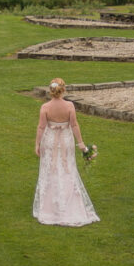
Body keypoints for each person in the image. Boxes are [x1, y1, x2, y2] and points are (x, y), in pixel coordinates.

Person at [33, 77, 100, 227]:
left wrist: (37, 144)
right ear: (63, 90)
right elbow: (74, 125)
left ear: (50, 91)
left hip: (49, 141)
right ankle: (69, 205)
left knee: (50, 170)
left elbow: (41, 128)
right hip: (66, 141)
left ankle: (50, 208)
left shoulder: (45, 107)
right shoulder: (69, 105)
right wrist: (81, 144)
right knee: (67, 169)